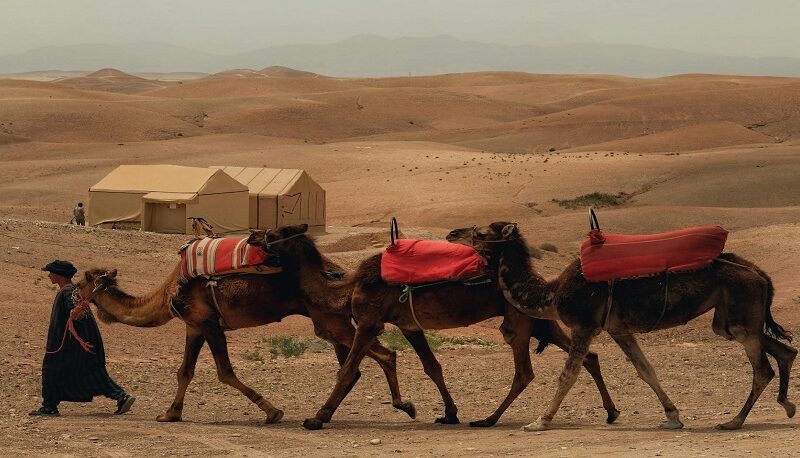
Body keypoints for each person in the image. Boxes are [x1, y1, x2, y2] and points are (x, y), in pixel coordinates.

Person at [29, 260, 135, 417]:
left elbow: (78, 312)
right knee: (90, 373)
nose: (49, 275)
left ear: (58, 275)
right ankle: (120, 396)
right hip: (78, 343)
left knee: (51, 371)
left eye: (50, 272)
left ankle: (49, 407)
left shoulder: (67, 292)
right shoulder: (73, 291)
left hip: (70, 345)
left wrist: (76, 314)